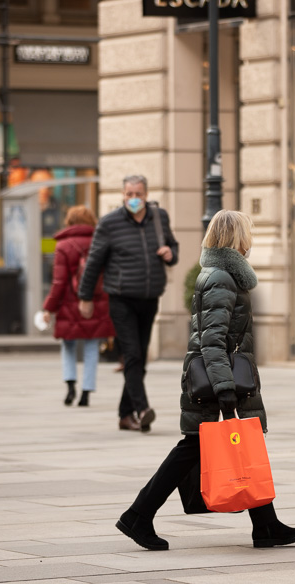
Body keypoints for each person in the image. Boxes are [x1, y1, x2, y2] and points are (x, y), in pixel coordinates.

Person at [115, 210, 295, 551]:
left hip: (218, 377)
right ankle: (138, 516)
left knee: (238, 444)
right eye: (248, 233)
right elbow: (212, 339)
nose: (251, 240)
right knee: (193, 448)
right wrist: (224, 387)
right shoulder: (220, 277)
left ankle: (266, 525)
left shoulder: (220, 274)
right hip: (216, 380)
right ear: (236, 237)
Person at [78, 175, 179, 433]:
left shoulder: (159, 218)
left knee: (139, 358)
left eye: (138, 194)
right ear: (123, 196)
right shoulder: (109, 224)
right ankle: (143, 408)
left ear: (146, 194)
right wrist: (85, 297)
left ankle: (125, 415)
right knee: (132, 355)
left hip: (150, 297)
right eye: (129, 194)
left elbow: (173, 247)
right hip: (121, 299)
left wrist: (170, 254)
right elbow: (94, 263)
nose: (134, 199)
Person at [40, 206, 114, 407]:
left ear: (70, 222)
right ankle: (86, 393)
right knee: (91, 347)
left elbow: (59, 282)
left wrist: (49, 308)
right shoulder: (101, 241)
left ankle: (70, 385)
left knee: (68, 346)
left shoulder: (63, 245)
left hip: (68, 304)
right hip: (96, 302)